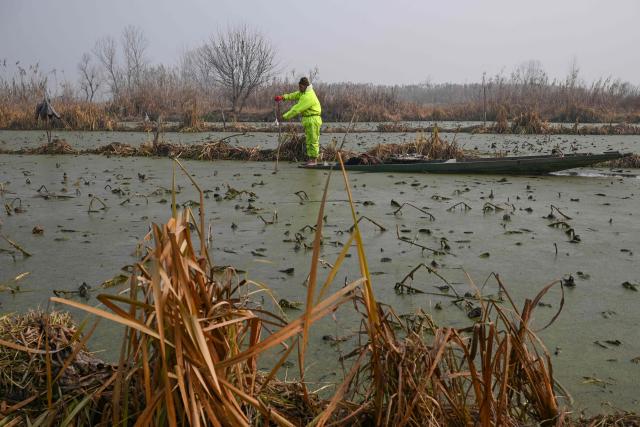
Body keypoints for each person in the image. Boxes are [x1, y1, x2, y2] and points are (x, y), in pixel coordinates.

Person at [275, 77, 322, 166]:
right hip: (309, 120)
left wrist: (284, 117)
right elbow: (295, 95)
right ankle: (311, 159)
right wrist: (283, 97)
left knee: (313, 140)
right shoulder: (304, 92)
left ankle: (314, 160)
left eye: (300, 87)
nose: (299, 89)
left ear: (304, 86)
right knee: (309, 140)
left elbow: (296, 109)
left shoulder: (308, 97)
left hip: (313, 120)